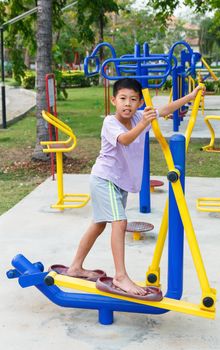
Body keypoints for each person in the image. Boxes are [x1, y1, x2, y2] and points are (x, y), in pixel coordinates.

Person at [65, 78, 205, 296]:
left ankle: (75, 267)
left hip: (117, 182)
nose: (127, 104)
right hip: (105, 179)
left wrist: (192, 95)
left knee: (99, 224)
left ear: (140, 102)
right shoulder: (110, 122)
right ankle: (120, 276)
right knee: (119, 222)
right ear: (114, 100)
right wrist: (143, 124)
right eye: (122, 99)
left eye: (132, 99)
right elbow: (125, 140)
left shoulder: (140, 116)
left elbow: (166, 108)